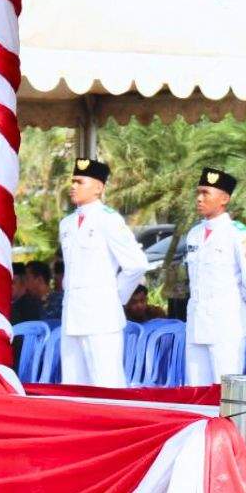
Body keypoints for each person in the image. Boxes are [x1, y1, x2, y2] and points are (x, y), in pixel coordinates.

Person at [59, 158, 150, 388]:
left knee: (107, 383)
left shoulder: (108, 219)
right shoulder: (67, 224)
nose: (74, 186)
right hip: (72, 316)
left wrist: (114, 296)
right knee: (72, 385)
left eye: (80, 181)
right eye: (73, 181)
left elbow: (136, 263)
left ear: (98, 187)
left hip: (101, 315)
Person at [183, 167, 246, 385]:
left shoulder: (238, 233)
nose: (199, 198)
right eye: (198, 192)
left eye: (206, 193)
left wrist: (230, 300)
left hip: (226, 324)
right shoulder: (195, 233)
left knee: (226, 391)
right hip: (197, 323)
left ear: (224, 198)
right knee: (196, 390)